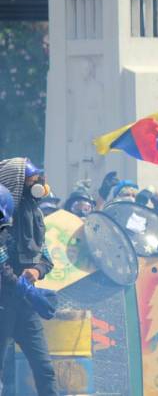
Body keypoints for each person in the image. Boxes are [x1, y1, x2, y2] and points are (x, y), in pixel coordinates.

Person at [0, 158, 57, 396]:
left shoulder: (36, 215)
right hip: (3, 303)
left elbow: (46, 258)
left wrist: (36, 272)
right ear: (18, 181)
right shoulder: (5, 213)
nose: (39, 182)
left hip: (25, 305)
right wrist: (21, 285)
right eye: (33, 178)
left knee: (45, 369)